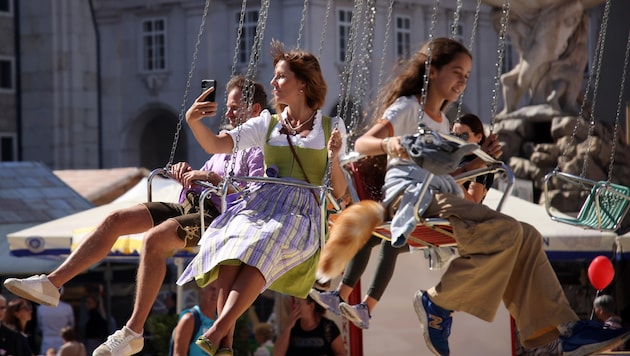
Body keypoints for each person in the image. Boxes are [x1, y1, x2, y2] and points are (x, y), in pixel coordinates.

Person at [349, 36, 630, 355]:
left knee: (527, 236)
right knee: (510, 232)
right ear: (433, 70)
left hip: (439, 197)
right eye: (456, 71)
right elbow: (362, 145)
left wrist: (478, 157)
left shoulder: (442, 122)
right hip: (412, 197)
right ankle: (437, 302)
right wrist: (391, 144)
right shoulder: (409, 106)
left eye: (467, 75)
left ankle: (550, 336)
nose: (462, 81)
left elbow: (443, 176)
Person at [3, 75, 268, 356]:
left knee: (154, 240)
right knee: (115, 219)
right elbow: (207, 175)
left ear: (254, 111)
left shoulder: (258, 145)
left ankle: (133, 331)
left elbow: (251, 190)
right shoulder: (225, 141)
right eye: (227, 105)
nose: (227, 112)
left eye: (235, 106)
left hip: (217, 217)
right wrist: (186, 172)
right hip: (191, 205)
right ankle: (52, 283)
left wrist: (207, 176)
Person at [176, 39, 348, 356]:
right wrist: (193, 122)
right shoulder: (267, 123)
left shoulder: (331, 126)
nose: (272, 82)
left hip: (301, 212)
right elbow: (216, 145)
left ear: (303, 84)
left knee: (265, 241)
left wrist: (334, 156)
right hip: (262, 203)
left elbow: (340, 192)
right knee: (229, 235)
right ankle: (225, 340)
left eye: (281, 76)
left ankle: (216, 329)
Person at [311, 112, 499, 329]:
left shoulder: (481, 166)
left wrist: (455, 176)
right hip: (427, 212)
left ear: (478, 137)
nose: (459, 141)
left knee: (391, 243)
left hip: (451, 221)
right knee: (369, 234)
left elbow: (474, 201)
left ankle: (366, 308)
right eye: (454, 136)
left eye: (464, 137)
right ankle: (340, 295)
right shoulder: (453, 159)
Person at [273, 296, 345, 356]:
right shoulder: (292, 327)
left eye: (298, 303)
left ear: (311, 306)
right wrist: (287, 328)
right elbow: (277, 354)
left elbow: (341, 353)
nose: (295, 307)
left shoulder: (328, 327)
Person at [171, 282, 219, 356]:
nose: (215, 293)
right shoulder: (189, 319)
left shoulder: (220, 321)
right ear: (202, 289)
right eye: (212, 289)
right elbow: (178, 353)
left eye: (218, 289)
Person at [38, 289, 74, 355]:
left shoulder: (41, 308)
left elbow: (39, 326)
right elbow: (71, 325)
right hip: (62, 340)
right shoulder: (67, 307)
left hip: (47, 340)